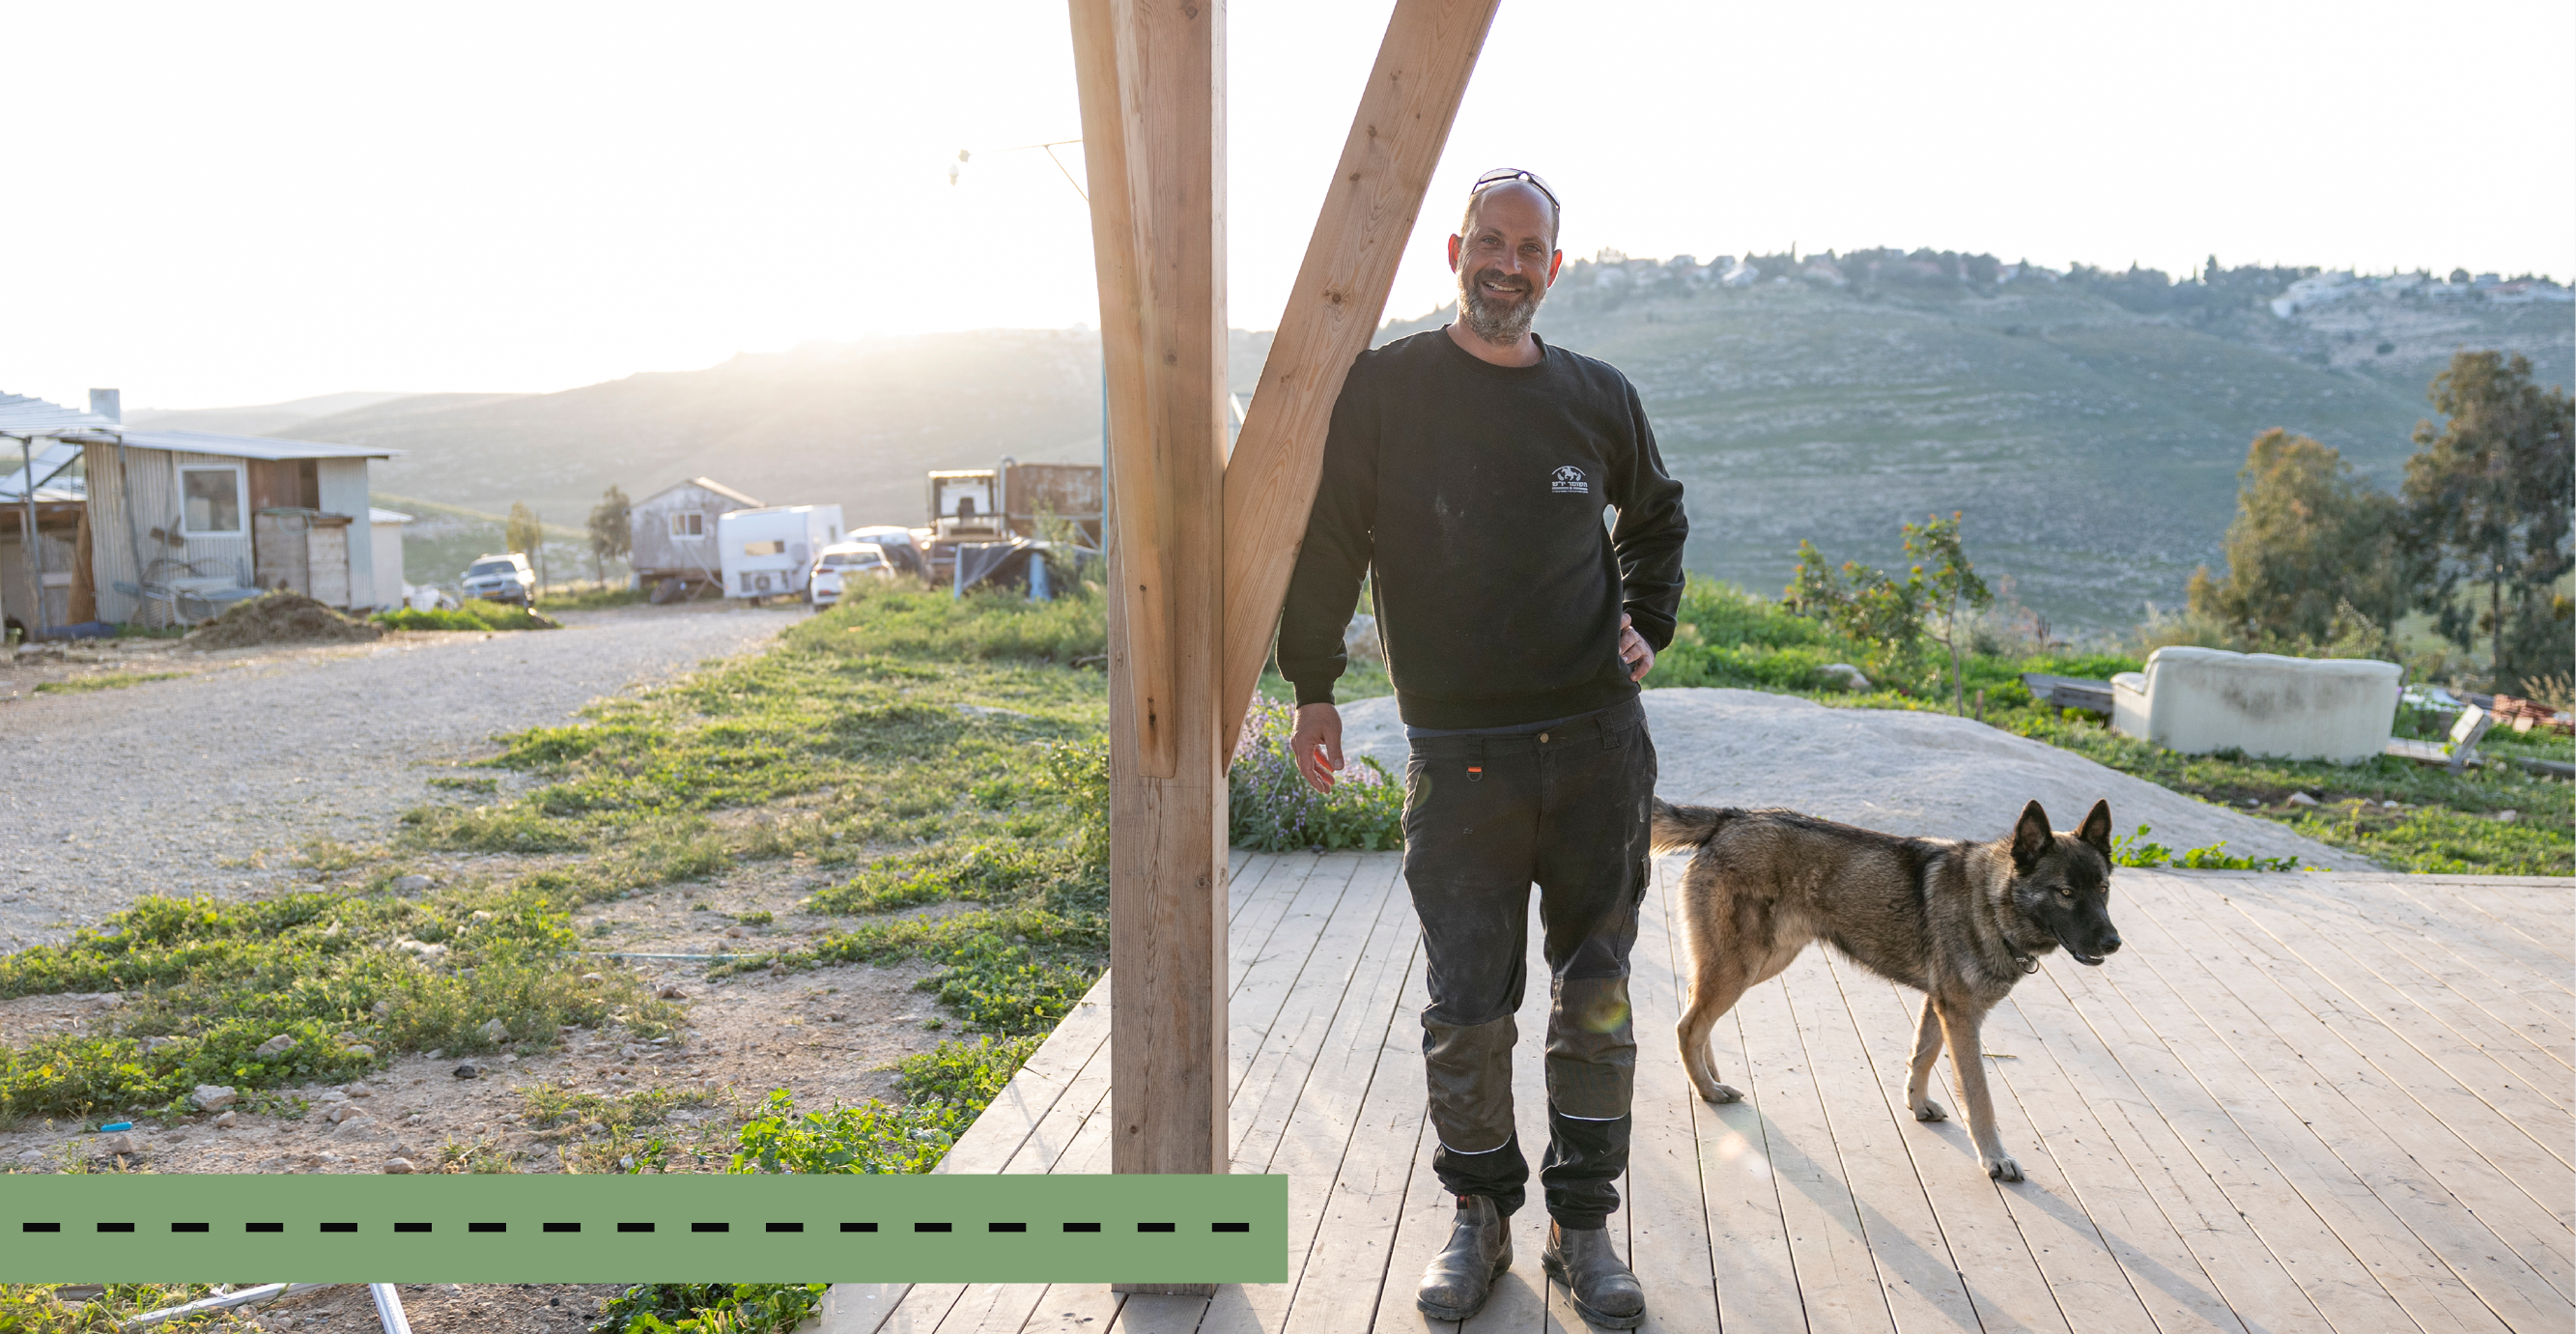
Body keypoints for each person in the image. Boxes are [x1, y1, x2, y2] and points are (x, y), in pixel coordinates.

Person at [1276, 167, 1686, 1328]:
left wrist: (1645, 622)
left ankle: (1584, 1223)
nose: (1508, 263)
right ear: (1456, 250)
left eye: (1530, 247)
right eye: (1490, 242)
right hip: (1459, 759)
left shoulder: (1598, 397)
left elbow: (1657, 516)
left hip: (1599, 747)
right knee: (1467, 1003)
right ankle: (1480, 1217)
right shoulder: (1388, 390)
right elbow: (1328, 542)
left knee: (1596, 989)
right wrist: (1314, 687)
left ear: (1554, 267)